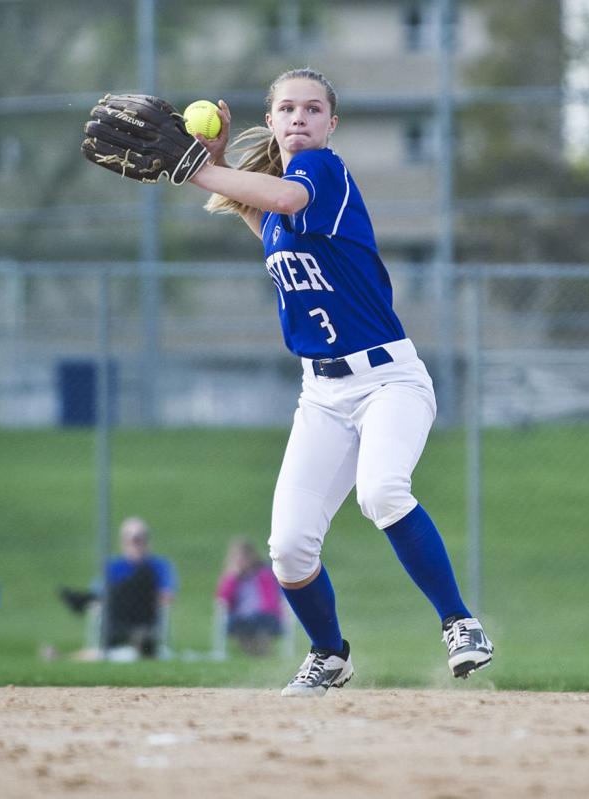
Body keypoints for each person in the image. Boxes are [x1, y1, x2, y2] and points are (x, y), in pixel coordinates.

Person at [182, 68, 495, 695]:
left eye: (313, 108)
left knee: (381, 491)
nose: (300, 118)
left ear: (331, 124)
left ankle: (459, 623)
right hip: (321, 394)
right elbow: (271, 220)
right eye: (287, 108)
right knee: (289, 549)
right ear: (269, 121)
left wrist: (197, 170)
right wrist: (219, 168)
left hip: (388, 381)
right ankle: (330, 655)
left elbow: (286, 201)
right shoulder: (280, 199)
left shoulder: (323, 172)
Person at [58, 516, 177, 659]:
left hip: (145, 618)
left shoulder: (158, 566)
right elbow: (98, 594)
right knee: (111, 594)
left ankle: (80, 601)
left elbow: (167, 595)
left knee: (140, 578)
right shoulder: (113, 567)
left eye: (140, 539)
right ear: (123, 542)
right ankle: (63, 656)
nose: (137, 545)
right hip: (117, 622)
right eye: (132, 540)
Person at [216, 537, 283, 656]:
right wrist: (232, 578)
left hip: (263, 613)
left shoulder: (263, 574)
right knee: (238, 624)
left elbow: (271, 597)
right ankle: (252, 652)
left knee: (261, 623)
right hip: (240, 615)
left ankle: (263, 651)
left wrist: (263, 611)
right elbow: (223, 597)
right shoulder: (232, 577)